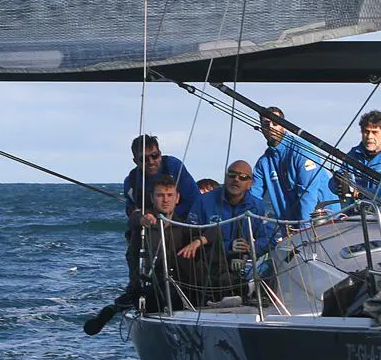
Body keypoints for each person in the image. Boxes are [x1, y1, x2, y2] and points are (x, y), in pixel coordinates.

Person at [86, 175, 197, 334]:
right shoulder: (143, 223)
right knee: (133, 298)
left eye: (169, 195)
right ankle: (108, 313)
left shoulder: (183, 227)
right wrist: (142, 219)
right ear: (152, 198)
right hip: (146, 287)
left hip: (176, 287)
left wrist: (200, 241)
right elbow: (134, 218)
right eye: (160, 195)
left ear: (177, 198)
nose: (165, 200)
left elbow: (210, 232)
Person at [182, 160, 275, 302]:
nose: (236, 179)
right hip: (210, 271)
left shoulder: (257, 206)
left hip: (246, 267)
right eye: (232, 175)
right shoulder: (204, 202)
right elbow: (189, 237)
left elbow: (269, 237)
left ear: (250, 183)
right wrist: (228, 246)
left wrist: (250, 248)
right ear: (225, 177)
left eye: (243, 177)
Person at [252, 107, 338, 226]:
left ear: (283, 126)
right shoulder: (263, 163)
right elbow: (254, 198)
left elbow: (308, 193)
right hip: (293, 230)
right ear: (261, 128)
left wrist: (304, 231)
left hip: (327, 222)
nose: (271, 127)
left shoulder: (302, 149)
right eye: (266, 124)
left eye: (275, 122)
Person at [122, 134, 199, 222]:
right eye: (144, 159)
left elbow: (194, 199)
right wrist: (142, 218)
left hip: (180, 222)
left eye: (154, 156)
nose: (151, 162)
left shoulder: (174, 166)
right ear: (135, 161)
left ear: (160, 154)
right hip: (150, 226)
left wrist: (170, 217)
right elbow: (130, 209)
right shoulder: (131, 181)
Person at [330, 109, 381, 202]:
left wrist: (361, 194)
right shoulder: (353, 154)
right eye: (366, 132)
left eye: (375, 132)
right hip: (354, 213)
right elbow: (333, 185)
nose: (369, 136)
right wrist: (338, 182)